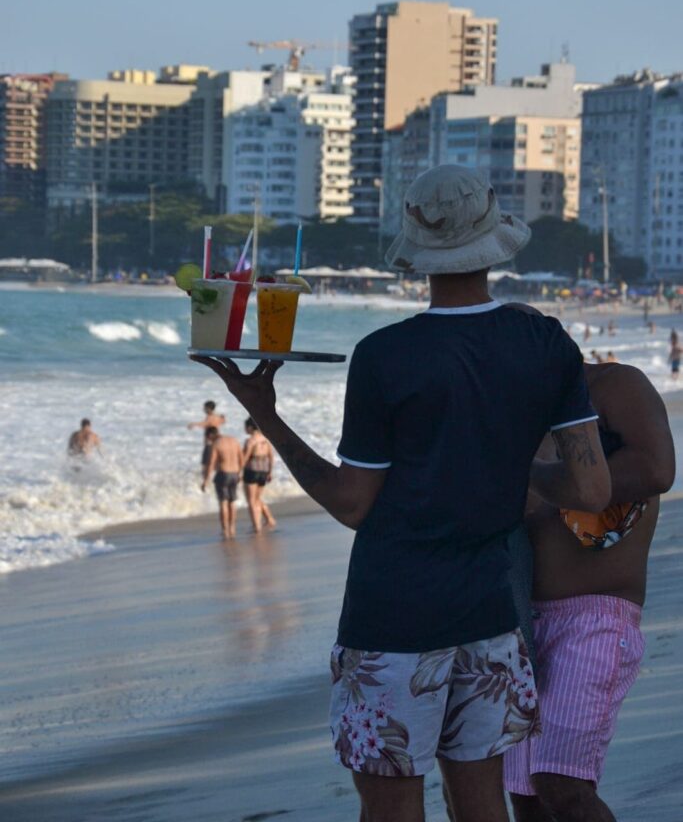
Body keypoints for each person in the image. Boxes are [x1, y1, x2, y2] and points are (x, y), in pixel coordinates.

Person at [191, 165, 611, 822]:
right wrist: (502, 472)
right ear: (493, 237)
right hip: (489, 615)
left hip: (392, 620)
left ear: (416, 246)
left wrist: (266, 414)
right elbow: (591, 486)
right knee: (481, 806)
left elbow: (352, 503)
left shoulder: (386, 354)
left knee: (390, 809)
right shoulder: (545, 341)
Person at [504, 359, 674, 822]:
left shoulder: (611, 385)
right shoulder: (509, 409)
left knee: (561, 782)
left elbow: (657, 470)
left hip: (595, 618)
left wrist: (538, 477)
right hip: (521, 624)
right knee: (526, 795)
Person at [201, 425, 244, 538]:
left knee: (223, 503)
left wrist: (206, 480)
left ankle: (225, 530)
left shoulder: (217, 444)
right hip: (235, 474)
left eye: (207, 437)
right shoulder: (234, 440)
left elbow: (211, 463)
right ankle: (232, 527)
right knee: (232, 502)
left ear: (210, 435)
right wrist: (240, 473)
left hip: (223, 474)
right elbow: (241, 458)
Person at [243, 417, 277, 532]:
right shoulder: (265, 439)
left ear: (250, 427)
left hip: (252, 470)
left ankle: (256, 525)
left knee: (251, 501)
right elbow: (271, 457)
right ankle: (270, 519)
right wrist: (270, 472)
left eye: (245, 427)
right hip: (264, 470)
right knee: (257, 498)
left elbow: (245, 457)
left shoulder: (251, 441)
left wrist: (238, 471)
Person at [188, 400, 226, 465]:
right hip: (216, 439)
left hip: (210, 440)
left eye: (204, 408)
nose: (203, 409)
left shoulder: (210, 417)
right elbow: (223, 421)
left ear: (208, 408)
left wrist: (194, 424)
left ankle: (207, 472)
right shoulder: (217, 417)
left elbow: (205, 423)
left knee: (207, 460)